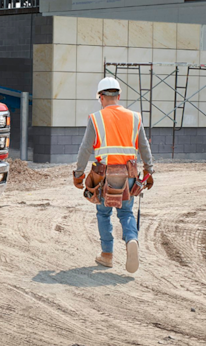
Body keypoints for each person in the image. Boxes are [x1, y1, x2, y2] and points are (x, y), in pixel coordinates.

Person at [72, 77, 155, 273]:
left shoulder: (96, 118)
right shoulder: (135, 117)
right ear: (118, 96)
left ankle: (107, 255)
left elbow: (85, 149)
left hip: (104, 176)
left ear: (101, 97)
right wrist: (149, 171)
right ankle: (131, 239)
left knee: (103, 213)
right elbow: (144, 147)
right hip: (129, 174)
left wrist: (78, 174)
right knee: (126, 213)